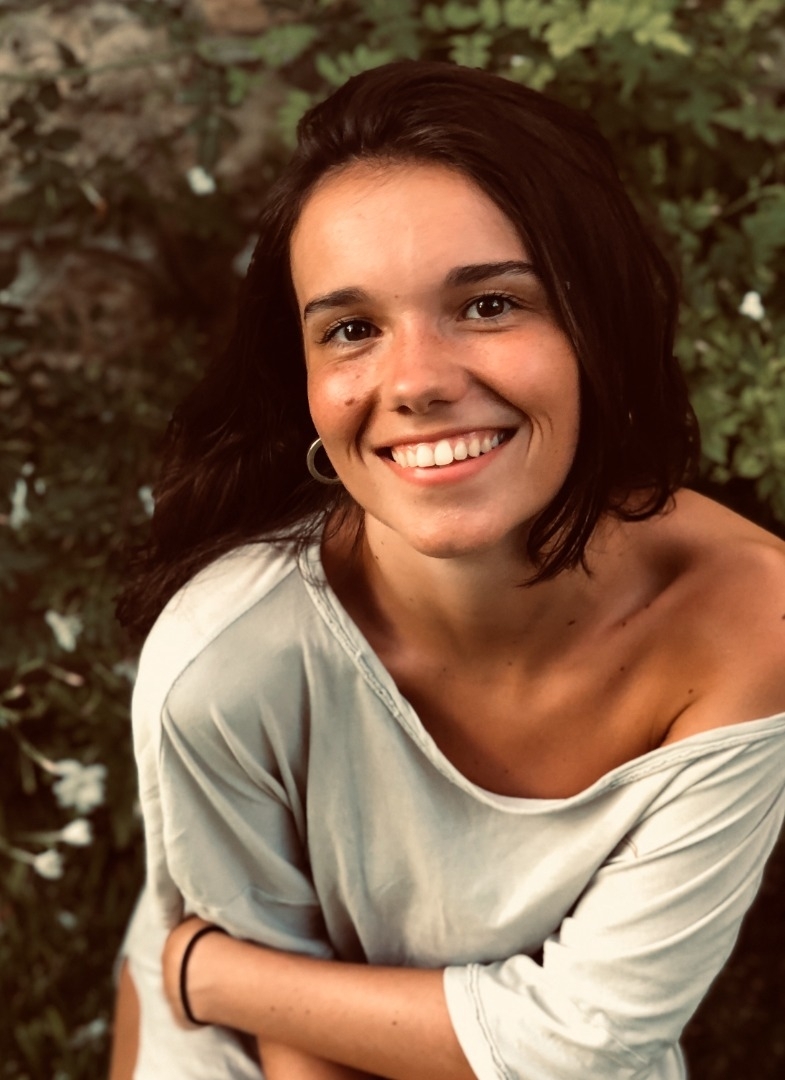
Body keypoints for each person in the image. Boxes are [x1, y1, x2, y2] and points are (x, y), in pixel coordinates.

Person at [111, 60, 785, 1080]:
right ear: (305, 382)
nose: (416, 382)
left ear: (592, 325)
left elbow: (587, 1041)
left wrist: (209, 973)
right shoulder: (223, 662)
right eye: (351, 330)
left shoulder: (747, 622)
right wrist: (212, 993)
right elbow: (288, 1045)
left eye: (487, 305)